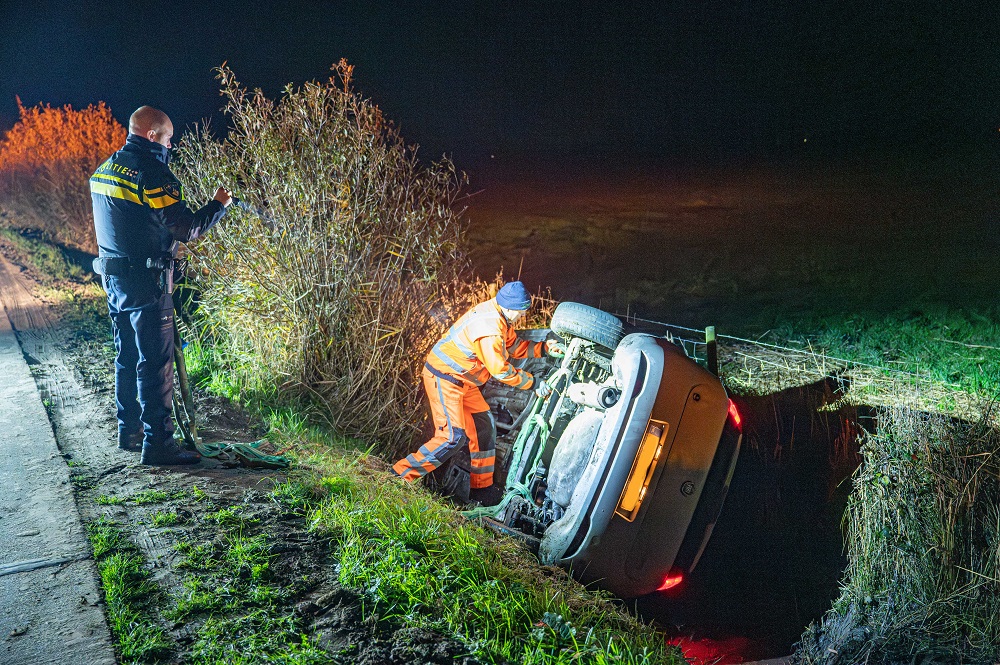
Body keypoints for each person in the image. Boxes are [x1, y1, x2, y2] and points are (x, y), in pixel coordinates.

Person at [90, 106, 232, 465]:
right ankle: (158, 446)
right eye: (168, 138)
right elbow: (186, 229)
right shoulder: (154, 174)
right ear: (152, 135)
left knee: (127, 357)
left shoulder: (105, 169)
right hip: (148, 284)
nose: (172, 144)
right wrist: (218, 205)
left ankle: (130, 431)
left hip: (114, 281)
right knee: (156, 363)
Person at [392, 281, 565, 503]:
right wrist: (534, 383)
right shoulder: (489, 328)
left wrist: (544, 348)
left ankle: (481, 490)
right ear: (511, 308)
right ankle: (400, 475)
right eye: (521, 313)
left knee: (484, 427)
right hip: (445, 378)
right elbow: (500, 370)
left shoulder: (500, 315)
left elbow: (514, 347)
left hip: (464, 382)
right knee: (451, 438)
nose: (522, 317)